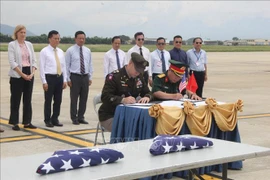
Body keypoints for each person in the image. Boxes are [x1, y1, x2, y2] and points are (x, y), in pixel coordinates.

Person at [98, 52, 153, 132]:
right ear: (130, 63)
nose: (137, 73)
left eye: (140, 71)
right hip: (111, 115)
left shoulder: (139, 77)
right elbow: (105, 97)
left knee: (144, 126)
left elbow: (148, 92)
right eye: (136, 70)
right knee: (130, 129)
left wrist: (147, 96)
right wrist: (122, 100)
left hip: (129, 115)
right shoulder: (114, 77)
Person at [8, 25, 37, 131]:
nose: (23, 34)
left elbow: (33, 60)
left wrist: (32, 73)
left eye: (24, 32)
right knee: (16, 99)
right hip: (17, 74)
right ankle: (15, 122)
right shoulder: (12, 45)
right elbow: (12, 62)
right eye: (21, 32)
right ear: (16, 33)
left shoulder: (29, 44)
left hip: (28, 72)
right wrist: (22, 74)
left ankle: (27, 121)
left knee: (28, 99)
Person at [39, 30, 67, 128]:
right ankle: (47, 120)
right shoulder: (44, 51)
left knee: (58, 100)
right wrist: (44, 81)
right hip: (49, 77)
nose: (57, 40)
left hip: (59, 77)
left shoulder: (60, 52)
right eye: (55, 38)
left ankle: (55, 118)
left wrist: (65, 80)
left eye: (58, 38)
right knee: (48, 100)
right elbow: (42, 67)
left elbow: (64, 67)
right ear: (50, 39)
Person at [65, 31, 93, 125]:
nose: (81, 40)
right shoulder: (70, 50)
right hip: (75, 76)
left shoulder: (87, 50)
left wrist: (90, 77)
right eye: (79, 38)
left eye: (83, 38)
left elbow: (90, 64)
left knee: (84, 98)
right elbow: (67, 65)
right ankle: (74, 117)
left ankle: (81, 116)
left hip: (85, 76)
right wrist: (68, 79)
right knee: (74, 98)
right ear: (75, 39)